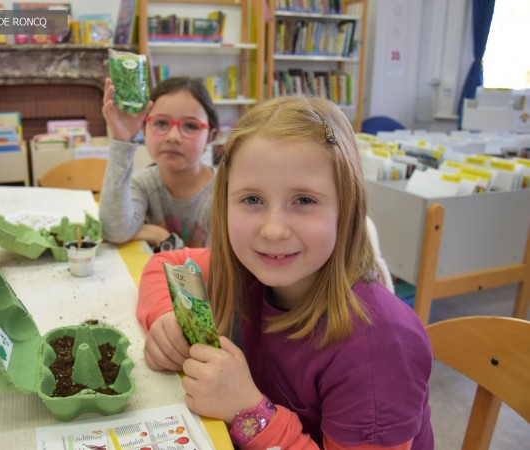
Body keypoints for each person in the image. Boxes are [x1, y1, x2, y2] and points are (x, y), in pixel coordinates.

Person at [136, 96, 433, 449]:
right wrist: (166, 319)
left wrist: (247, 411)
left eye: (304, 201)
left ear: (347, 208)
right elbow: (166, 264)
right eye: (252, 200)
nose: (273, 231)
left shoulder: (379, 347)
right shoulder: (247, 269)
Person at [99, 76, 219, 249]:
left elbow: (211, 268)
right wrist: (122, 140)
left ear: (210, 137)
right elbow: (114, 230)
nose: (173, 137)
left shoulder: (224, 195)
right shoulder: (144, 184)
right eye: (161, 123)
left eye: (190, 126)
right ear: (144, 129)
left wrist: (163, 237)